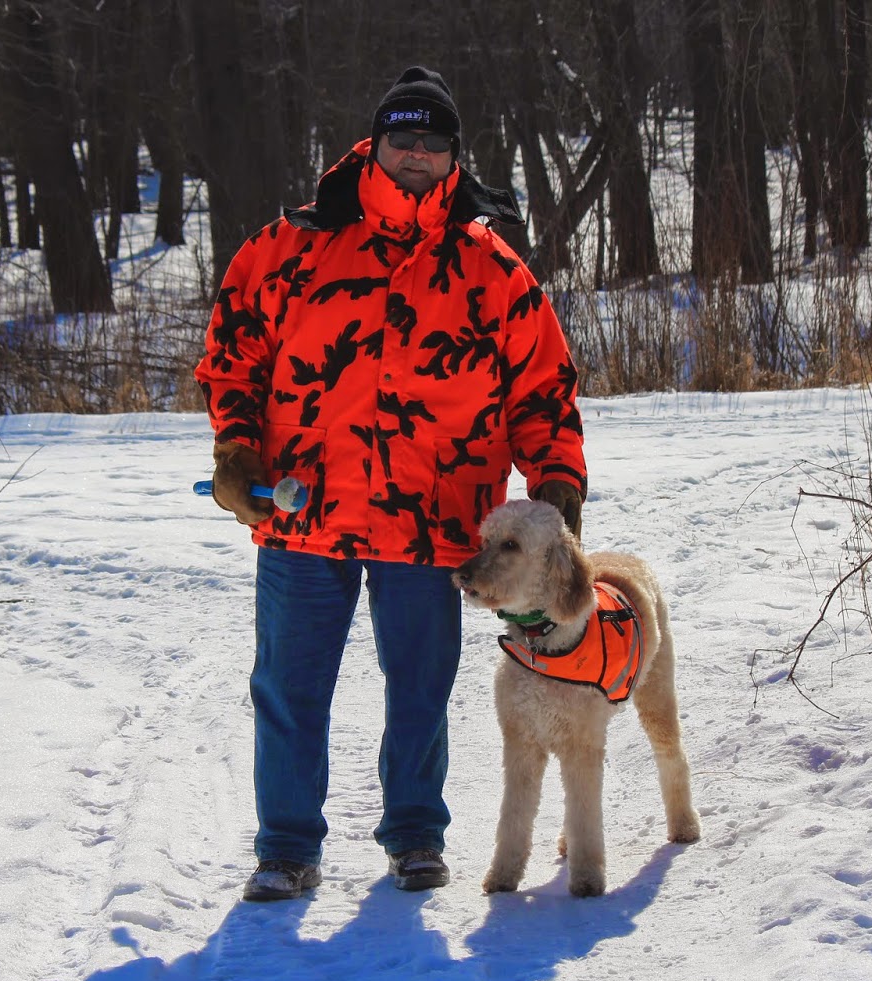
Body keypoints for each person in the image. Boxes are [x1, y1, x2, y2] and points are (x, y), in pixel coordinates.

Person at [195, 66, 587, 902]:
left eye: (433, 142)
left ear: (453, 156)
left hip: (434, 519)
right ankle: (285, 848)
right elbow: (233, 352)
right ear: (373, 146)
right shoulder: (291, 247)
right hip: (305, 513)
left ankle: (414, 836)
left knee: (420, 688)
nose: (416, 153)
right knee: (289, 687)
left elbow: (543, 391)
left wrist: (557, 484)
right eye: (402, 138)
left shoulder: (491, 268)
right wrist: (236, 449)